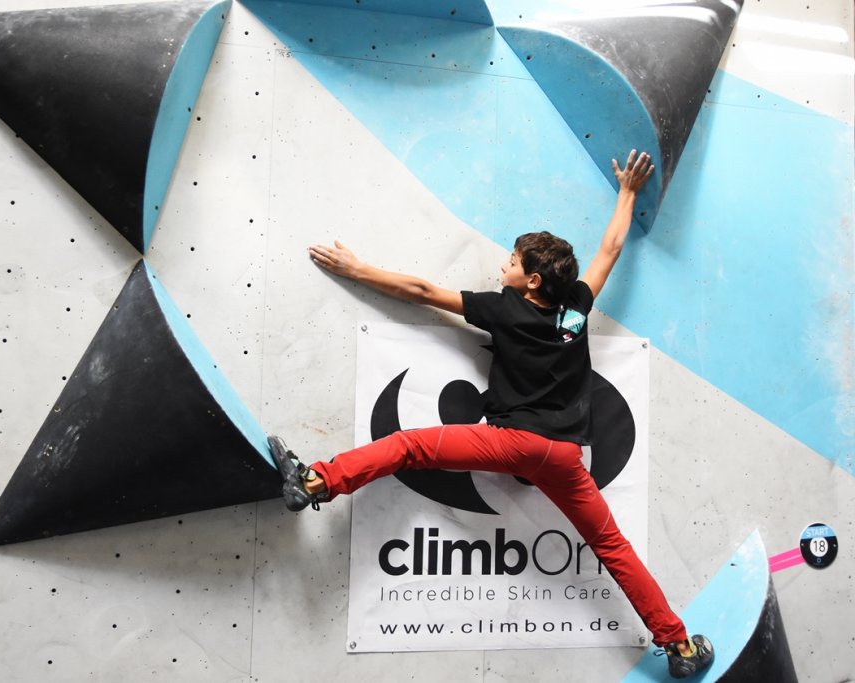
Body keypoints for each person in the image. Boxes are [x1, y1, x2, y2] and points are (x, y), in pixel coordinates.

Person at [269, 150, 713, 679]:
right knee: (612, 547)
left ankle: (316, 482)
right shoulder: (574, 307)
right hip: (565, 457)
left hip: (514, 441)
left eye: (510, 261)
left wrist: (357, 268)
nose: (501, 265)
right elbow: (611, 247)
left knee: (409, 447)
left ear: (529, 282)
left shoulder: (503, 309)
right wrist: (628, 192)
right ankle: (679, 646)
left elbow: (422, 292)